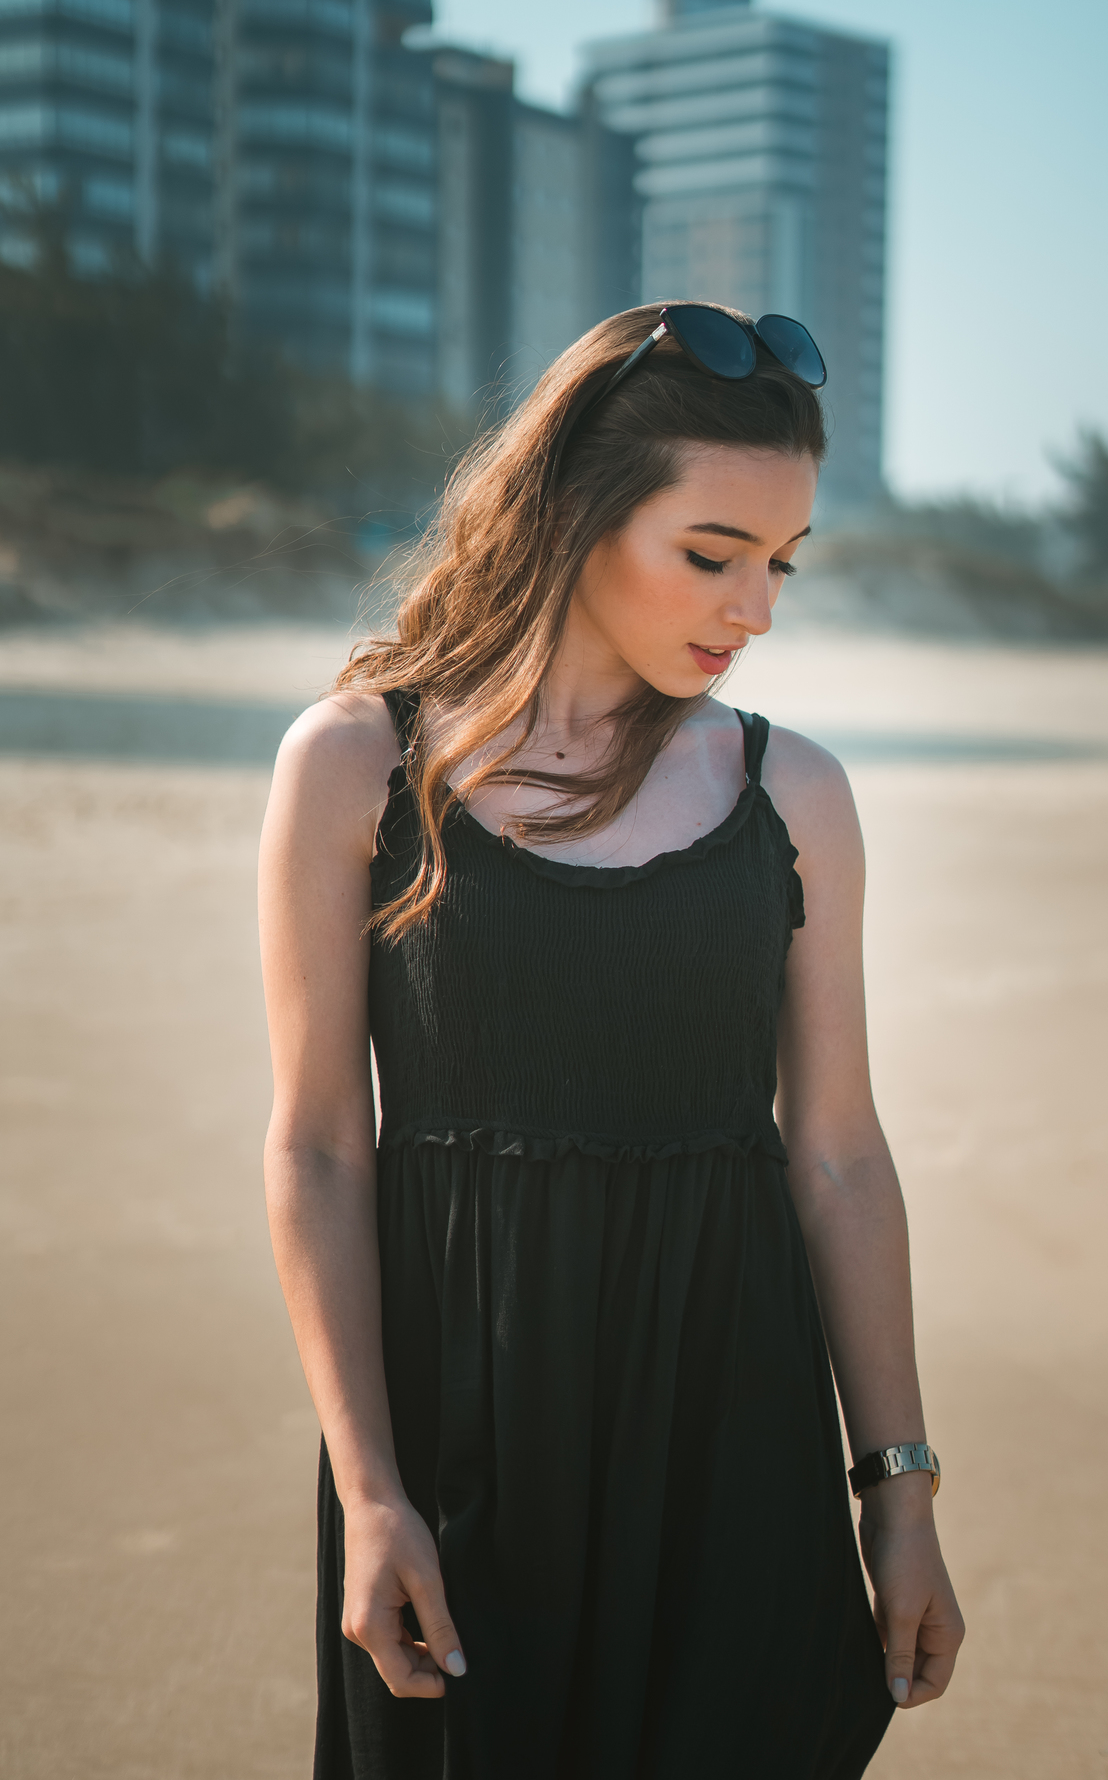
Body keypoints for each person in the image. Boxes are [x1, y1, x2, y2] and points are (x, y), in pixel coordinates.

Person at [258, 301, 965, 1780]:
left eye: (782, 563)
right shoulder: (358, 766)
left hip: (733, 1430)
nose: (754, 608)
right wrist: (371, 1490)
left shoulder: (793, 796)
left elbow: (838, 1156)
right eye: (712, 556)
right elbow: (321, 1145)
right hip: (463, 1433)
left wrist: (899, 1493)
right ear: (575, 516)